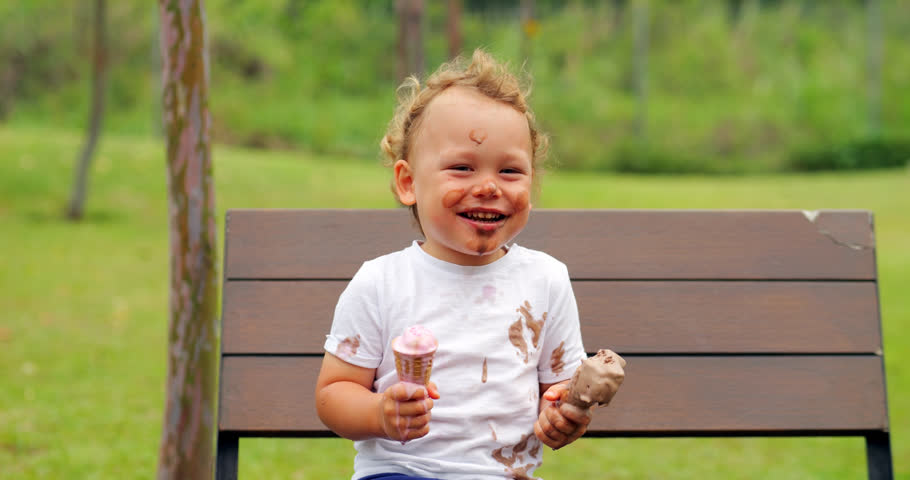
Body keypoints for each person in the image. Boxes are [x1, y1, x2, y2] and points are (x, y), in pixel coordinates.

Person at [315, 49, 623, 480]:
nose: (488, 186)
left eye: (511, 171)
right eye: (462, 167)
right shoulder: (382, 282)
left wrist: (561, 415)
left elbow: (556, 392)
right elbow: (333, 393)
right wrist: (379, 414)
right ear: (408, 183)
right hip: (402, 471)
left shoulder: (545, 280)